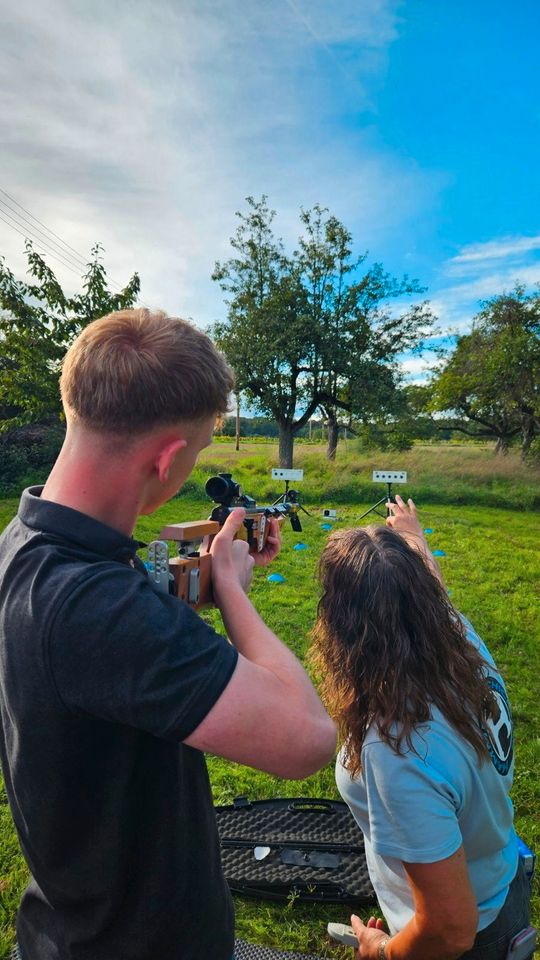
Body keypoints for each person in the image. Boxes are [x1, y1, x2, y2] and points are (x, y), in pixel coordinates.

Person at [0, 308, 336, 960]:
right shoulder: (98, 608)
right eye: (201, 449)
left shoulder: (33, 545)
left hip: (73, 922)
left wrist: (205, 580)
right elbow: (307, 741)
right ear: (169, 456)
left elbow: (118, 655)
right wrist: (234, 593)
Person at [311, 496, 531, 960]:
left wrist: (383, 950)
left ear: (343, 624)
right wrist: (413, 534)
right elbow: (431, 582)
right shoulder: (457, 638)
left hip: (463, 940)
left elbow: (450, 930)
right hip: (502, 884)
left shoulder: (398, 748)